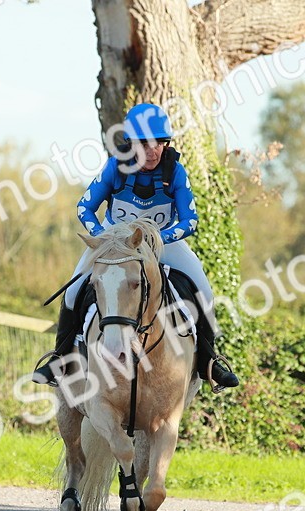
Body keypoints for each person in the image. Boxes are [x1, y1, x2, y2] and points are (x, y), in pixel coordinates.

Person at [32, 102, 239, 391]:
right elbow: (84, 209)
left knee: (203, 290)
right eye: (144, 144)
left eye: (158, 143)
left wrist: (158, 238)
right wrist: (105, 238)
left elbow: (191, 220)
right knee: (73, 291)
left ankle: (209, 361)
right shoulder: (115, 168)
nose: (152, 151)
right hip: (114, 246)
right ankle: (60, 359)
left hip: (163, 245)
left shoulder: (175, 172)